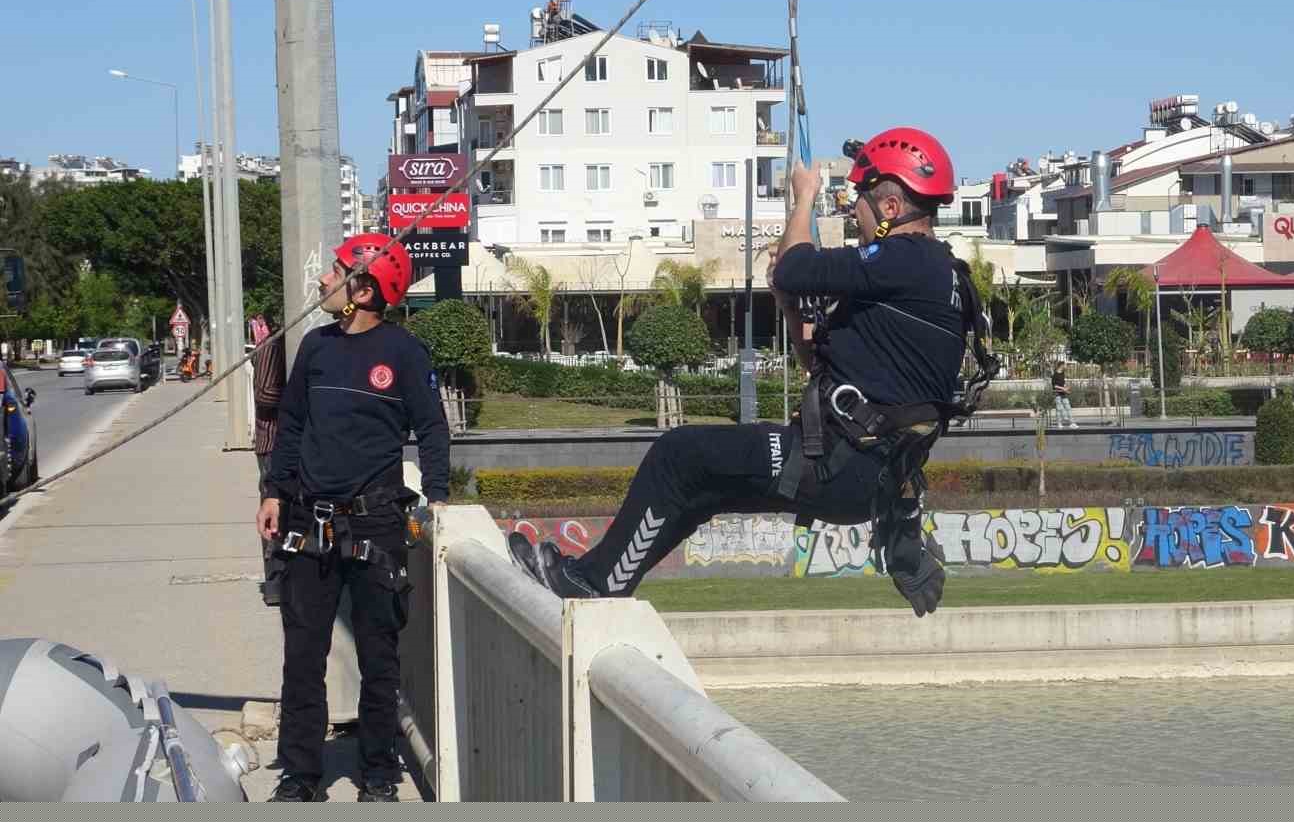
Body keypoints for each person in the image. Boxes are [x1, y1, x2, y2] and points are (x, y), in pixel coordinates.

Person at [507, 127, 999, 616]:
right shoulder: (940, 275)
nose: (854, 211)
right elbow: (820, 365)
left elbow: (794, 266)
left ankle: (593, 586)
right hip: (864, 474)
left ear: (892, 209)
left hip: (839, 462)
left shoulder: (903, 260)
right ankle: (601, 586)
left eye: (860, 200)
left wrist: (803, 198)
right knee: (697, 491)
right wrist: (789, 310)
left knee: (678, 453)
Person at [255, 234, 451, 802]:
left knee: (379, 658)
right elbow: (290, 426)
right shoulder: (315, 348)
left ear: (362, 289)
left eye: (335, 272)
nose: (322, 280)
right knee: (302, 659)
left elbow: (433, 431)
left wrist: (436, 499)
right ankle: (300, 775)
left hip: (375, 527)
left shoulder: (404, 354)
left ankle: (380, 774)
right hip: (308, 524)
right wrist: (274, 492)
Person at [251, 312, 288, 605]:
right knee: (274, 514)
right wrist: (298, 395)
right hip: (273, 445)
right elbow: (264, 395)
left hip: (293, 445)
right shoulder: (272, 348)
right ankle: (275, 581)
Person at [1051, 360, 1078, 429]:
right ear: (1061, 365)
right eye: (1065, 365)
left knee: (1068, 407)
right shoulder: (1055, 374)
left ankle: (1072, 423)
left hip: (1063, 393)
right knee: (1059, 409)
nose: (1066, 366)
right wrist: (1063, 389)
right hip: (1057, 393)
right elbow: (1055, 386)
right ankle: (1059, 423)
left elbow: (1063, 383)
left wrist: (1066, 388)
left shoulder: (1062, 373)